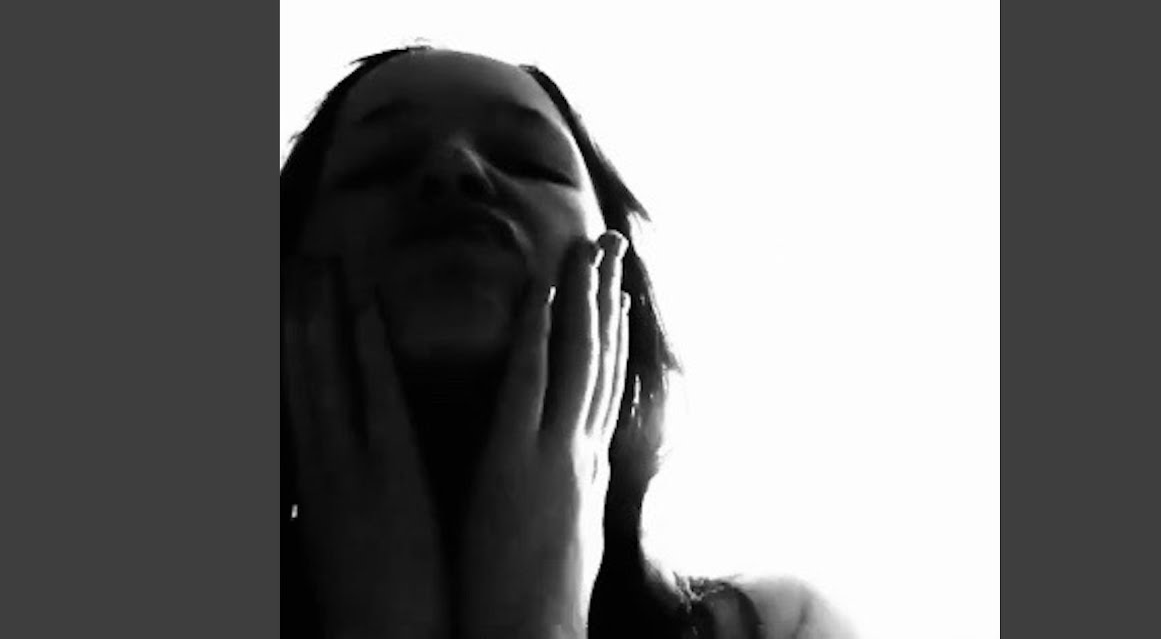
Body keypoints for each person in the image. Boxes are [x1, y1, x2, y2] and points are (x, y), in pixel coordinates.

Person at [281, 45, 856, 639]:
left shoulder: (778, 628)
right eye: (380, 166)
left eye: (528, 161)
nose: (454, 168)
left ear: (622, 284)